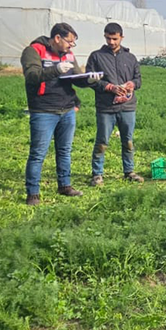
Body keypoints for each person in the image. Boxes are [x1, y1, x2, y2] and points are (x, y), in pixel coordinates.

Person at [21, 23, 102, 206]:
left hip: (67, 109)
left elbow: (76, 78)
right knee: (38, 153)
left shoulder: (68, 55)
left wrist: (89, 80)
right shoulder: (34, 51)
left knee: (64, 151)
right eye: (69, 41)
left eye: (73, 43)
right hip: (43, 110)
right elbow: (32, 75)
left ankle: (64, 185)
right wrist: (56, 70)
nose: (71, 46)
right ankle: (33, 193)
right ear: (57, 38)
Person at [85, 23, 144, 186]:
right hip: (106, 107)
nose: (111, 42)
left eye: (114, 39)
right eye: (108, 38)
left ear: (121, 37)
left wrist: (132, 84)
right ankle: (97, 174)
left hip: (127, 107)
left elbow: (138, 79)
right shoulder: (96, 57)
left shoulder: (130, 58)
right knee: (102, 141)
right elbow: (90, 80)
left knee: (128, 141)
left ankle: (129, 171)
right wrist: (108, 87)